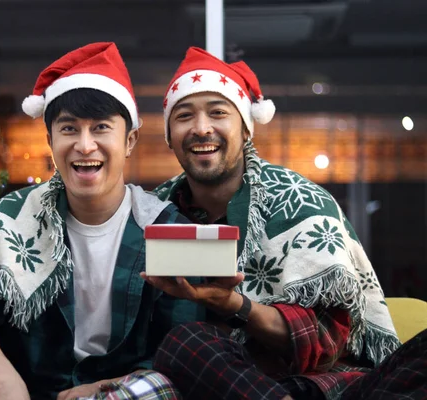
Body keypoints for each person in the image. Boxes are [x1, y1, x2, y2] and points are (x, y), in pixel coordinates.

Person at [0, 42, 204, 400]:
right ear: (50, 140)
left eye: (101, 128)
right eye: (70, 129)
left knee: (156, 387)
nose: (85, 145)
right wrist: (5, 383)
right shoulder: (16, 213)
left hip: (117, 392)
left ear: (129, 140)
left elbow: (181, 347)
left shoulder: (170, 228)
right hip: (25, 392)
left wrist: (106, 387)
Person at [140, 47, 426, 399]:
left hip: (334, 384)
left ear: (246, 130)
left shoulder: (302, 202)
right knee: (185, 344)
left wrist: (234, 304)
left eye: (218, 113)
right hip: (229, 382)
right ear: (169, 136)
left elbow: (329, 339)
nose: (201, 128)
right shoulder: (153, 213)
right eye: (184, 116)